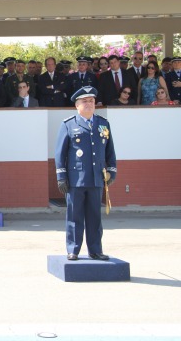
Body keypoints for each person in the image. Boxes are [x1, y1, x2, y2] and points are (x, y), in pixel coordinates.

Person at [55, 86, 116, 261]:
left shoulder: (103, 124)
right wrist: (61, 176)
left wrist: (111, 171)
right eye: (84, 101)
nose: (89, 104)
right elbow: (60, 153)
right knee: (75, 217)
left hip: (97, 178)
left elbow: (110, 150)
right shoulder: (69, 124)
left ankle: (95, 250)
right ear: (77, 105)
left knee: (95, 217)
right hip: (76, 180)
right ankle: (73, 249)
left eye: (91, 101)